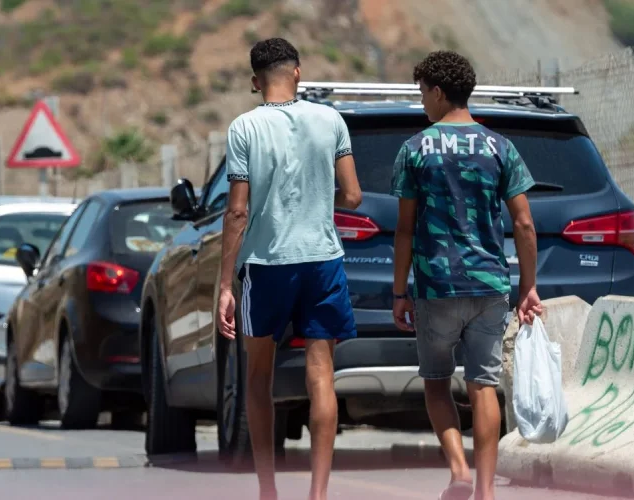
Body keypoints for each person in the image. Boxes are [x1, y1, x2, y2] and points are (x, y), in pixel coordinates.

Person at [390, 50, 542, 500]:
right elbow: (525, 225)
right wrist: (528, 287)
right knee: (484, 387)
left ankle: (458, 470)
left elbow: (404, 230)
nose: (422, 104)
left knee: (436, 383)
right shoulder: (501, 148)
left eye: (423, 94)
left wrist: (399, 291)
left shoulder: (415, 149)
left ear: (437, 92)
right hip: (490, 287)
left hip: (436, 287)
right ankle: (488, 489)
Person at [216, 37, 362, 500]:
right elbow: (354, 196)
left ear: (256, 82)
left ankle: (267, 489)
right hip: (323, 258)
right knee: (321, 375)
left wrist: (225, 283)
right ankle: (318, 493)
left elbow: (237, 212)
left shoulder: (244, 127)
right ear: (297, 72)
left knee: (258, 378)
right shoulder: (331, 119)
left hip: (267, 263)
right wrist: (320, 199)